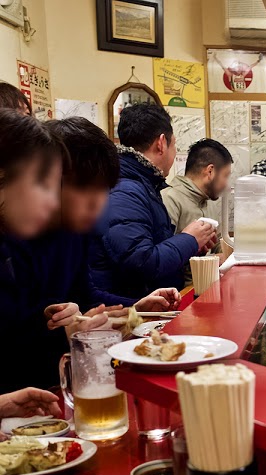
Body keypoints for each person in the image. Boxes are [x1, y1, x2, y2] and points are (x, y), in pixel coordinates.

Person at [8, 117, 180, 392]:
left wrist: (135, 309)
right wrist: (67, 333)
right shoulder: (16, 239)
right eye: (85, 189)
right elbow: (15, 333)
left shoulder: (76, 233)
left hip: (61, 380)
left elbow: (84, 295)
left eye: (104, 190)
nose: (98, 203)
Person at [89, 104, 216, 299]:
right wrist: (188, 239)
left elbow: (149, 248)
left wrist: (192, 243)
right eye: (174, 145)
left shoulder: (143, 183)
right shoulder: (126, 189)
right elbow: (141, 263)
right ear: (161, 143)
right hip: (128, 315)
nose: (173, 154)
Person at [162, 138, 233, 285]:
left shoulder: (207, 201)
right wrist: (208, 259)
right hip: (181, 292)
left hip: (208, 285)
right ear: (210, 171)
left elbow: (217, 245)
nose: (226, 184)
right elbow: (163, 258)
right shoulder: (170, 199)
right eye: (225, 176)